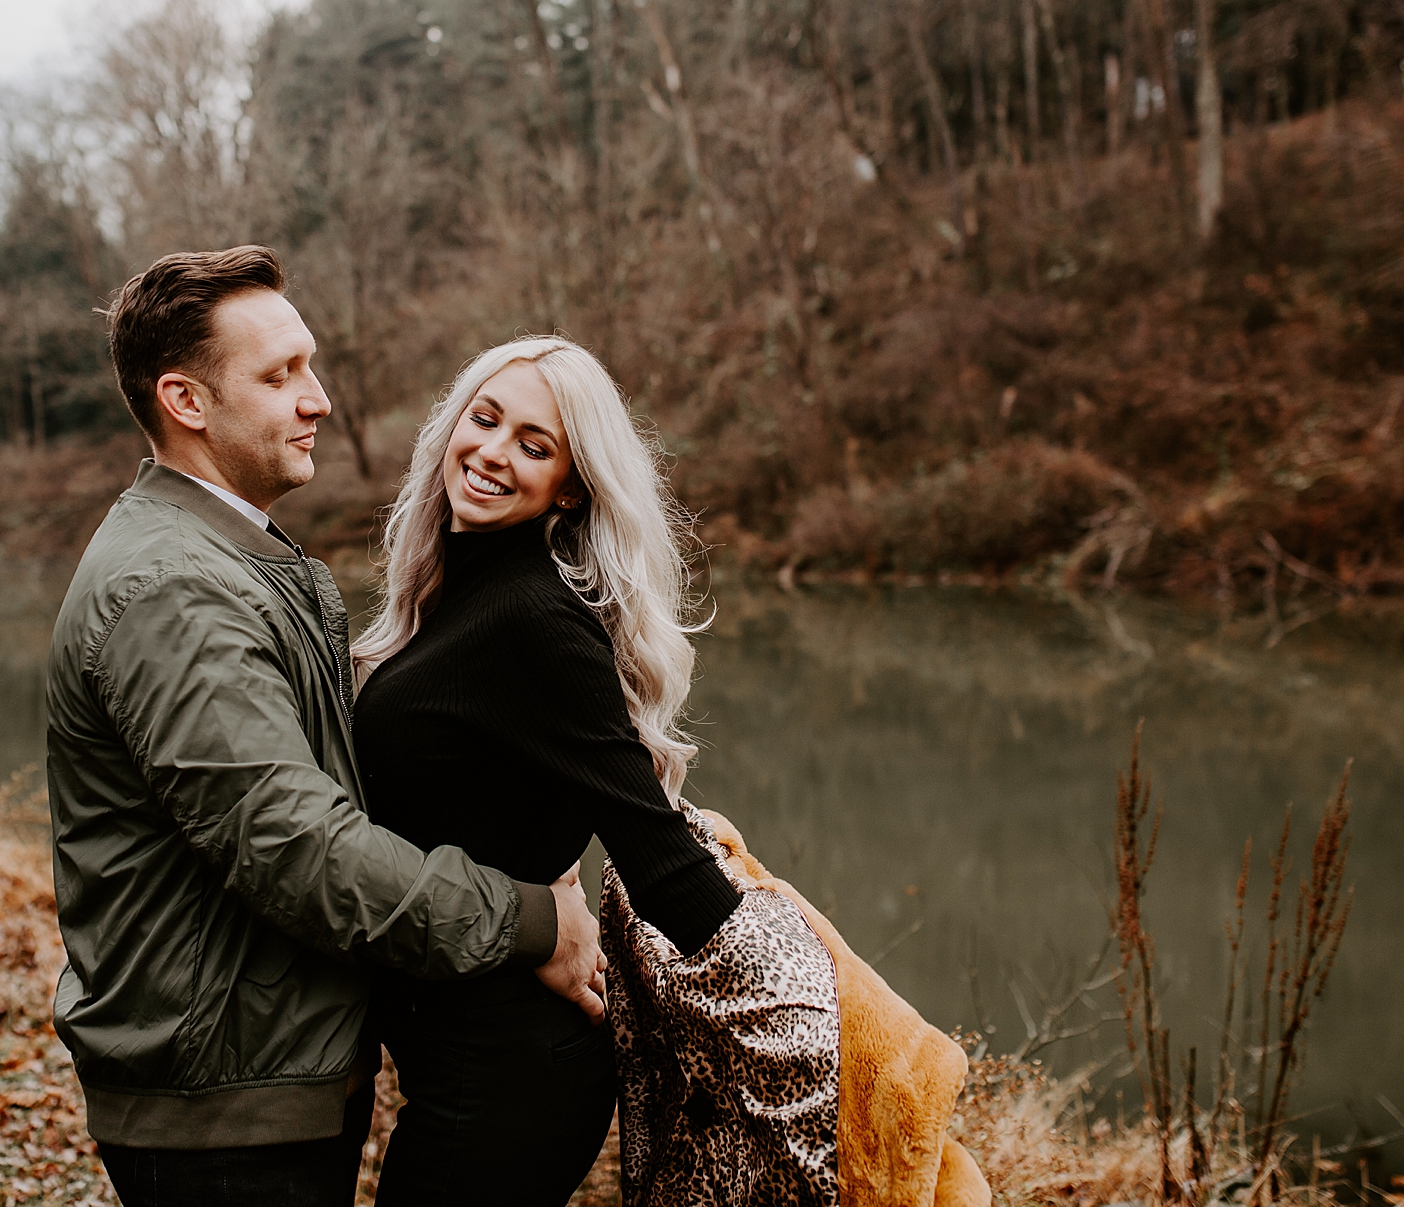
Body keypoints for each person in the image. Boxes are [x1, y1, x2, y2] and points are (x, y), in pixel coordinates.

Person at [44, 248, 606, 1207]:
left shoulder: (234, 552)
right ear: (187, 401)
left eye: (308, 365)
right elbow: (303, 850)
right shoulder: (176, 592)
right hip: (224, 1105)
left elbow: (334, 785)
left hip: (261, 1069)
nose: (321, 400)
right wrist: (529, 920)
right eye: (281, 375)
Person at [350, 337, 840, 1206]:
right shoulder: (452, 593)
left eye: (535, 445)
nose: (495, 452)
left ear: (570, 487)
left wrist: (820, 1020)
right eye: (486, 418)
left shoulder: (536, 619)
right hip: (456, 1060)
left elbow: (654, 852)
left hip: (508, 1083)